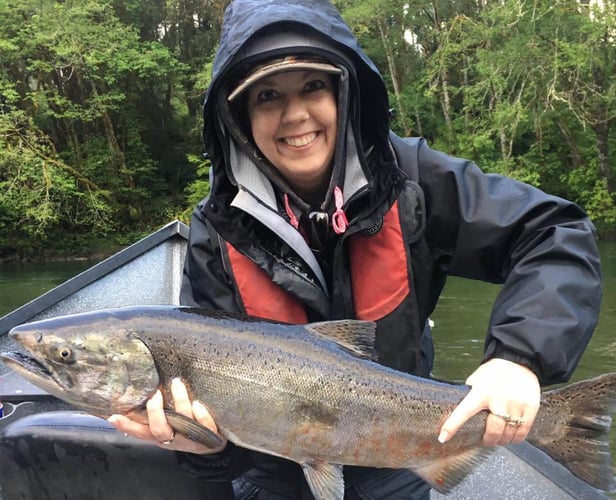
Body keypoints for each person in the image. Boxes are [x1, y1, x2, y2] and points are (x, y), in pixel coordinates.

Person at [108, 0, 602, 498]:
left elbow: (554, 232)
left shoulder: (414, 181)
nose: (295, 113)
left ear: (347, 94)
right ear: (239, 118)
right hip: (272, 476)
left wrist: (519, 358)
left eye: (314, 86)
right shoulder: (216, 230)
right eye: (267, 96)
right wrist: (200, 447)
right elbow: (222, 449)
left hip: (406, 458)